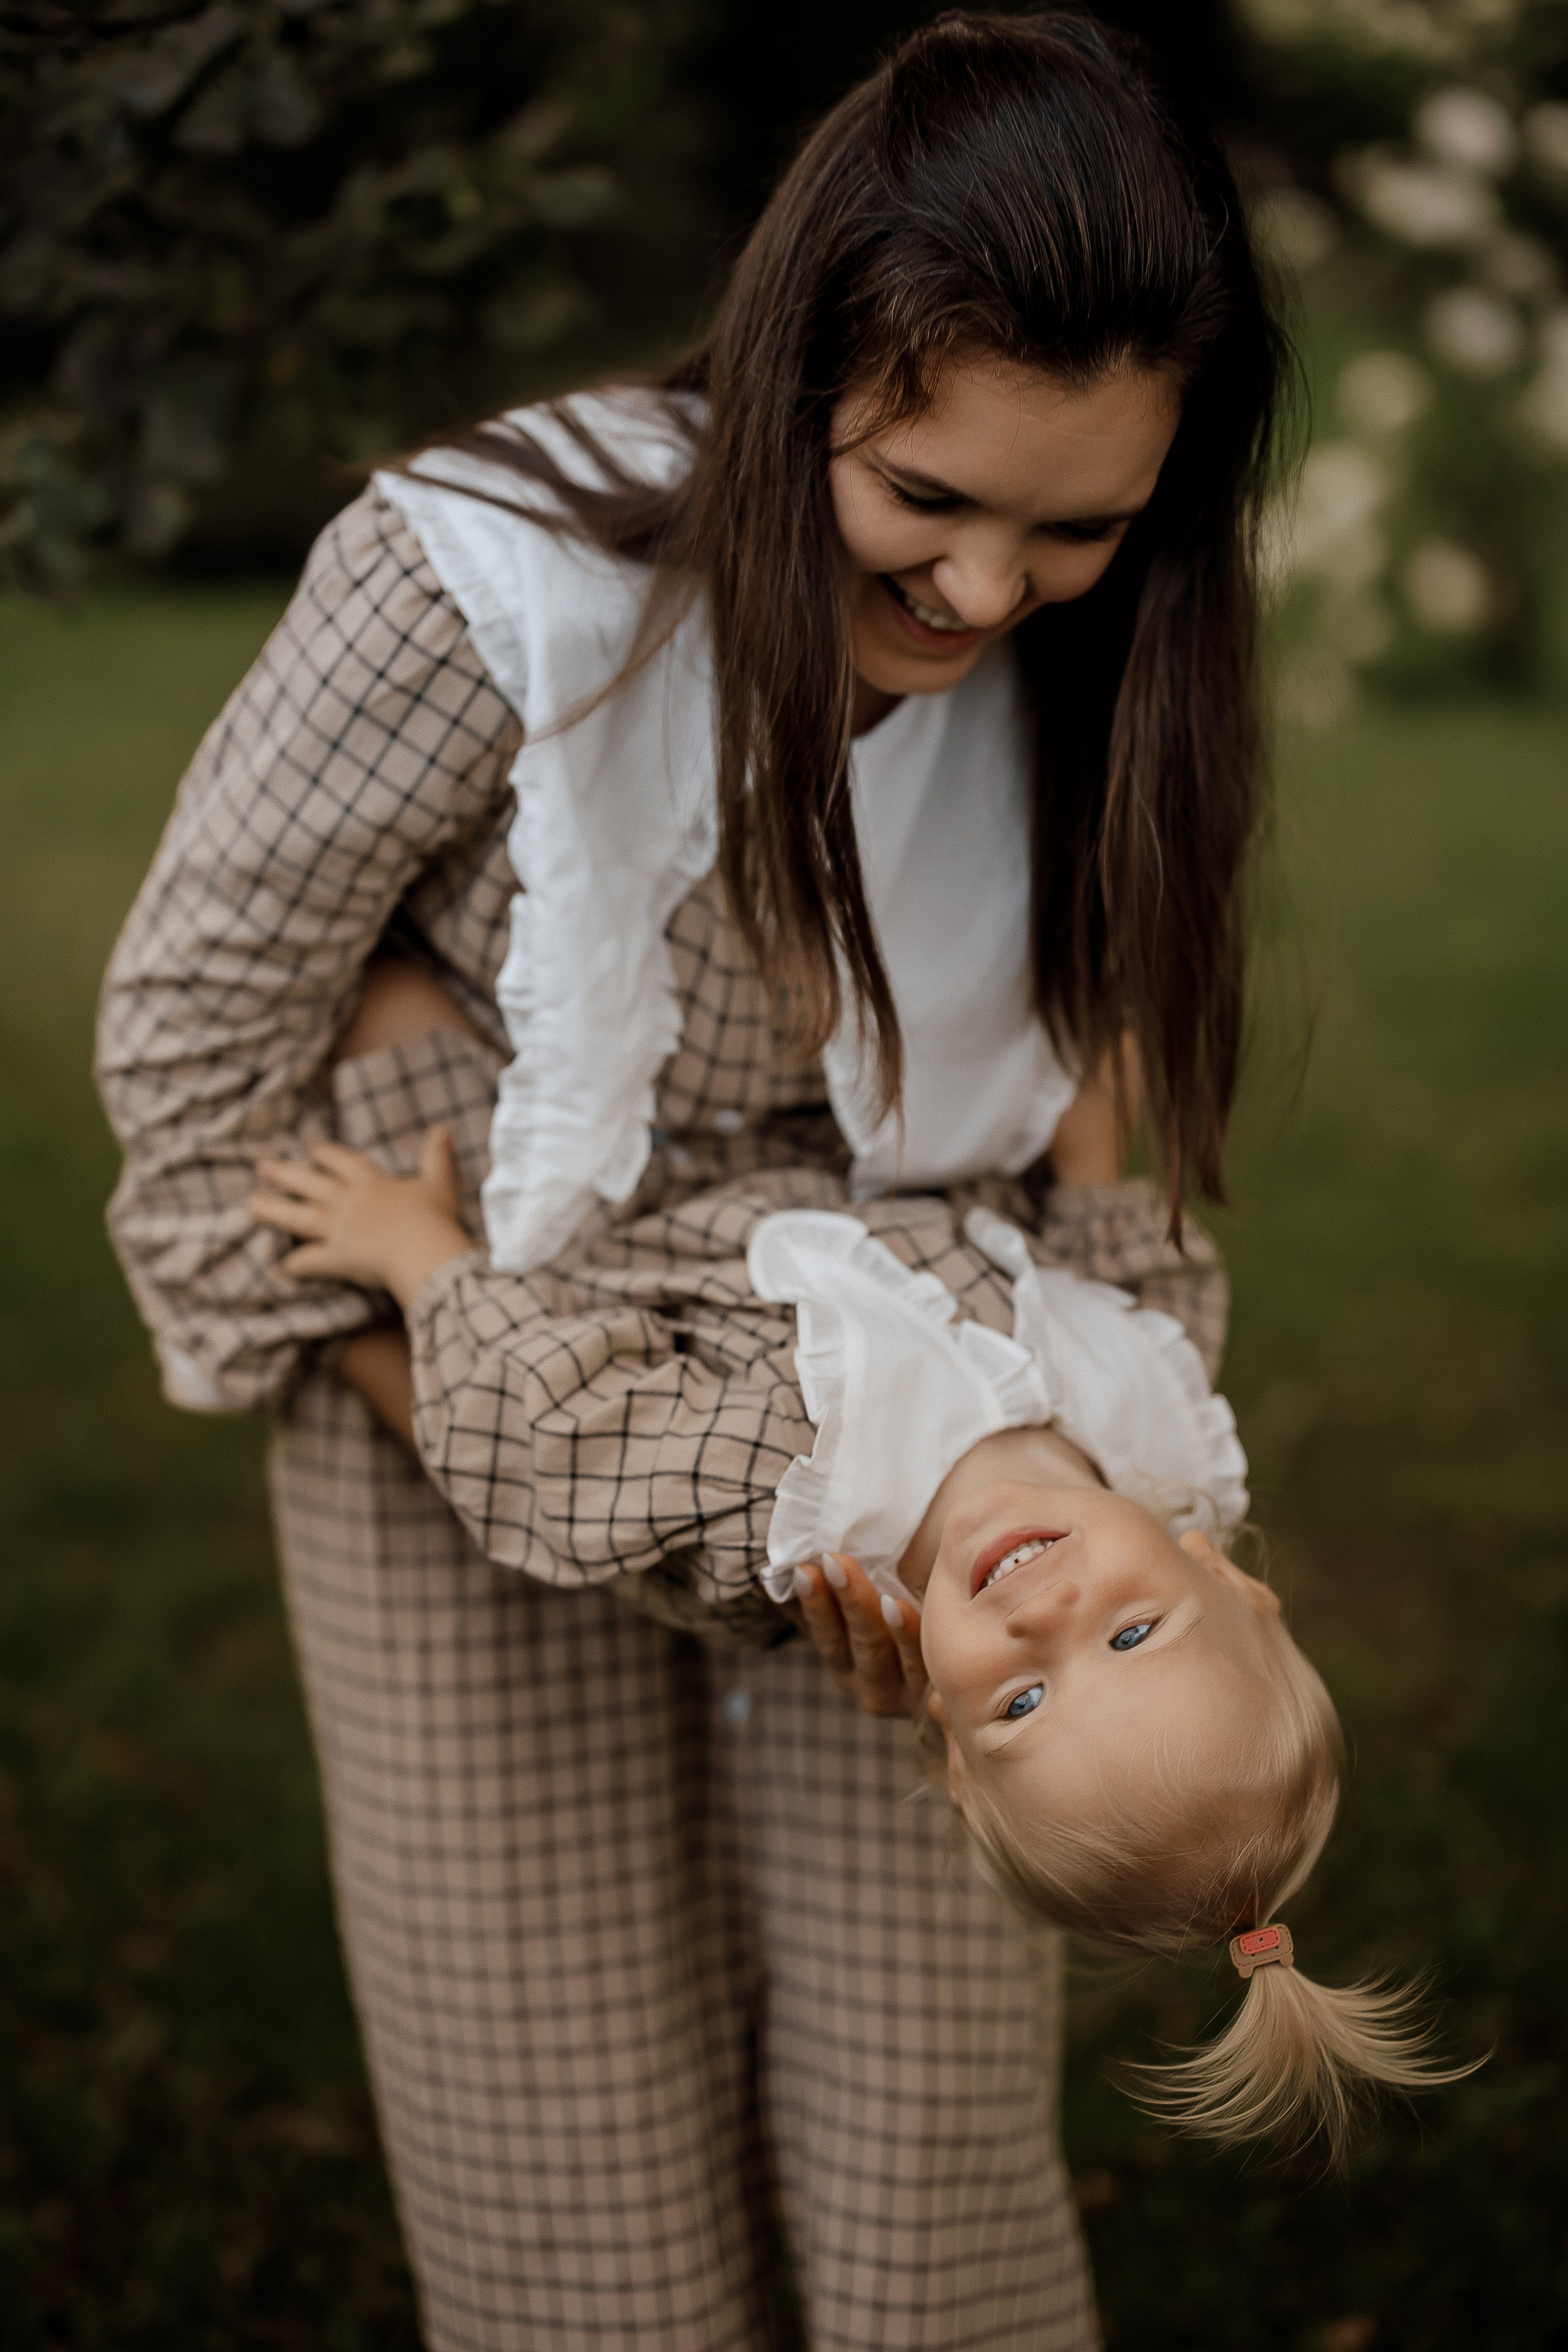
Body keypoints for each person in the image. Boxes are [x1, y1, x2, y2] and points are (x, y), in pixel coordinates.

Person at [100, 13, 1302, 2346]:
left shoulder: (1102, 658)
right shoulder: (483, 577)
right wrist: (554, 1439)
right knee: (557, 2108)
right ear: (794, 377)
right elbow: (197, 1041)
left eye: (1075, 525)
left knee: (920, 2127)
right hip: (455, 1371)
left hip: (944, 1501)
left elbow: (1104, 1163)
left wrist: (1036, 1534)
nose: (980, 596)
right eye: (923, 497)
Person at [248, 1020, 1462, 2165]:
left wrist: (423, 1256)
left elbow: (554, 1440)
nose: (1046, 1619)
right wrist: (1093, 1138)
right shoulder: (1160, 1409)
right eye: (1131, 1632)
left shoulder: (798, 1495)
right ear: (1219, 1570)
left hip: (567, 1214)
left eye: (1025, 1704)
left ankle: (317, 1324)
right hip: (797, 1126)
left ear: (941, 1725)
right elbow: (1131, 1264)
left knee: (393, 1019)